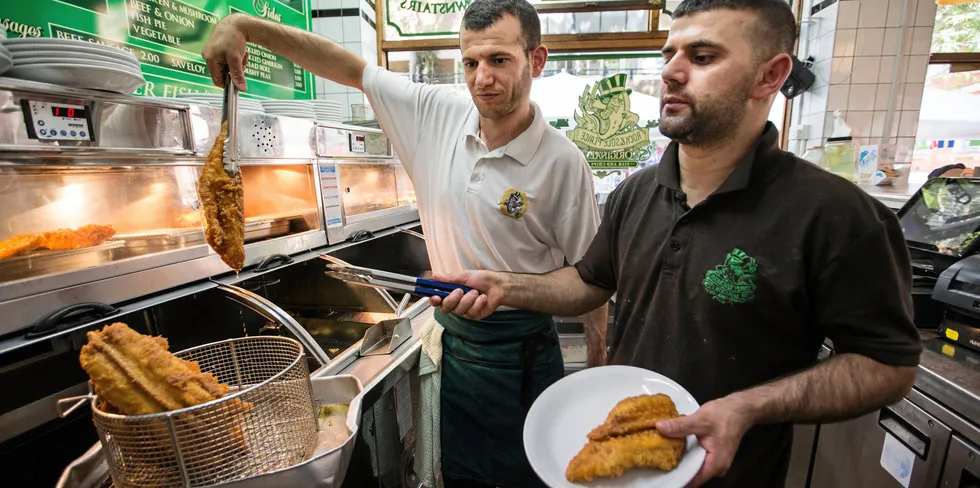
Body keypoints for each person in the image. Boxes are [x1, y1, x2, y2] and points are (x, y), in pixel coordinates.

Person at [430, 0, 923, 486]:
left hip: (733, 474)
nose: (671, 73)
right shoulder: (636, 194)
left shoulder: (837, 216)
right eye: (670, 55)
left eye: (703, 57)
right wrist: (502, 285)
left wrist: (749, 406)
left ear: (770, 76)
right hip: (627, 469)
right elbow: (588, 282)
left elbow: (888, 365)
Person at [202, 1, 606, 487]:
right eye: (471, 63)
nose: (482, 78)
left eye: (499, 60)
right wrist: (243, 25)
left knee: (532, 477)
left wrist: (594, 377)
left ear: (536, 61)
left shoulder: (563, 163)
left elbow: (590, 284)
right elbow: (348, 66)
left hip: (522, 353)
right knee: (461, 476)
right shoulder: (436, 113)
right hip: (459, 347)